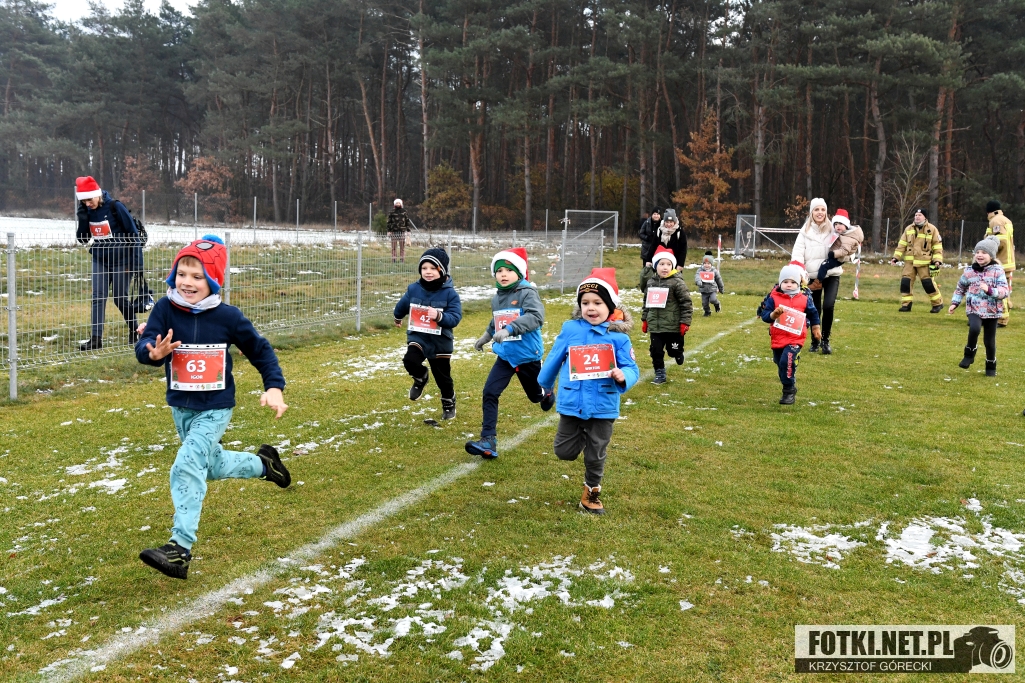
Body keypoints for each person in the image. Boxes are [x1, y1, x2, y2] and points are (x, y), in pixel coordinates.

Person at [134, 236, 289, 580]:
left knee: (187, 463)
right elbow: (146, 342)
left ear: (213, 280)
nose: (186, 282)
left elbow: (260, 351)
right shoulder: (165, 308)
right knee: (210, 466)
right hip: (181, 408)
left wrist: (274, 387)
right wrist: (152, 352)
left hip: (216, 408)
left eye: (197, 276)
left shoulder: (228, 317)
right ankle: (264, 465)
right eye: (181, 274)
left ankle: (180, 548)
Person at [538, 268, 639, 515]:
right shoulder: (570, 329)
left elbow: (631, 367)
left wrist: (623, 375)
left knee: (595, 455)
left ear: (610, 306)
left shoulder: (619, 337)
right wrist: (545, 383)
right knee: (564, 451)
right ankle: (581, 436)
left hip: (603, 405)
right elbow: (555, 357)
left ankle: (591, 493)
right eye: (585, 303)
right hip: (572, 402)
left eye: (597, 303)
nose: (591, 308)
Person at [466, 247, 555, 459]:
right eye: (499, 271)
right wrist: (486, 336)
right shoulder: (497, 297)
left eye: (508, 270)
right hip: (505, 356)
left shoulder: (528, 293)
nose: (503, 274)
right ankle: (488, 440)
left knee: (535, 397)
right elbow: (496, 321)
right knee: (490, 392)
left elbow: (536, 317)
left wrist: (510, 329)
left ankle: (547, 393)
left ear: (519, 272)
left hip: (527, 356)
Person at [74, 175, 143, 351]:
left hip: (122, 260)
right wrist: (83, 218)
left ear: (98, 194)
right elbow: (83, 239)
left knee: (120, 298)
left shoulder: (115, 207)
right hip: (100, 260)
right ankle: (96, 339)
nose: (88, 203)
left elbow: (133, 234)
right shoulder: (86, 210)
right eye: (84, 201)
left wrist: (137, 264)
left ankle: (135, 330)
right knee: (98, 297)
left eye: (90, 199)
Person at [393, 248, 462, 420]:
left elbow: (455, 317)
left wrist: (439, 316)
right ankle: (420, 377)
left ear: (442, 270)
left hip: (440, 342)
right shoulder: (414, 289)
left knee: (442, 378)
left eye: (433, 268)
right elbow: (403, 304)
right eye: (424, 268)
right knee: (410, 360)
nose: (428, 272)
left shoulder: (450, 294)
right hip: (419, 337)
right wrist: (397, 316)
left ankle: (448, 401)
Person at [758, 263, 821, 405]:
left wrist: (816, 328)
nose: (789, 284)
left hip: (795, 338)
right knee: (780, 363)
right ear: (780, 283)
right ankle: (788, 379)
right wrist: (773, 315)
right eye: (785, 281)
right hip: (778, 338)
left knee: (787, 361)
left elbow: (813, 313)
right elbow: (765, 316)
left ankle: (789, 391)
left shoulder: (804, 298)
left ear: (798, 283)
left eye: (792, 282)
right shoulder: (774, 298)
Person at [948, 238, 1008, 377]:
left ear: (991, 255)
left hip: (992, 311)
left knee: (989, 342)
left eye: (984, 253)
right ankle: (969, 354)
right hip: (974, 308)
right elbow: (960, 288)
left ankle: (991, 365)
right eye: (978, 252)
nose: (980, 255)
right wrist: (955, 303)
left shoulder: (998, 271)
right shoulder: (969, 271)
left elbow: (1004, 291)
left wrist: (990, 290)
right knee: (974, 328)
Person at [789, 198, 836, 353]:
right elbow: (797, 253)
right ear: (811, 212)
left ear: (826, 212)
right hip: (812, 276)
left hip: (831, 274)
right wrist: (799, 271)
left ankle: (826, 341)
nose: (820, 213)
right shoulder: (804, 232)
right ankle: (815, 340)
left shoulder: (833, 229)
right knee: (814, 309)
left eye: (823, 210)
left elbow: (847, 244)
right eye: (816, 209)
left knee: (828, 306)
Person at [641, 246, 692, 384]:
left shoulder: (677, 283)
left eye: (668, 264)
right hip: (656, 326)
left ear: (672, 266)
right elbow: (646, 302)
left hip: (673, 326)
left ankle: (678, 352)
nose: (665, 267)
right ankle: (660, 373)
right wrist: (645, 319)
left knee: (672, 350)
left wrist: (685, 322)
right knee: (655, 350)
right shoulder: (650, 282)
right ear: (655, 266)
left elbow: (686, 303)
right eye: (661, 264)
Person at [891, 208, 944, 313]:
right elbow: (902, 245)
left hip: (925, 262)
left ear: (925, 217)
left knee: (928, 284)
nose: (917, 217)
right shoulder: (908, 229)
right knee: (906, 283)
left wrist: (937, 260)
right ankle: (906, 305)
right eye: (916, 215)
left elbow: (937, 246)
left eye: (919, 215)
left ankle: (937, 304)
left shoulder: (932, 229)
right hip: (909, 263)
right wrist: (895, 257)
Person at [985, 200, 1015, 327]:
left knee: (1000, 291)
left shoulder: (995, 221)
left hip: (1000, 262)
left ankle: (1002, 319)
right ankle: (1007, 307)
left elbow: (999, 242)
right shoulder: (1006, 220)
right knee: (1005, 289)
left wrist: (987, 251)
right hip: (1007, 261)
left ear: (989, 211)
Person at [694, 251, 725, 317]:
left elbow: (719, 279)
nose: (706, 265)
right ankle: (707, 312)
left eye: (708, 263)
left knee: (712, 300)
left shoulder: (714, 271)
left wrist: (721, 288)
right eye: (705, 263)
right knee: (704, 303)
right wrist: (698, 282)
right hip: (703, 289)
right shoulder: (700, 270)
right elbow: (697, 276)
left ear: (711, 264)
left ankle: (717, 304)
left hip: (712, 289)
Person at [387, 198, 411, 263]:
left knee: (402, 247)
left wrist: (408, 230)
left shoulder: (404, 211)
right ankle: (394, 259)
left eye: (399, 203)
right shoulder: (392, 212)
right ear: (394, 204)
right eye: (396, 203)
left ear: (401, 204)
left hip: (402, 231)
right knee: (393, 247)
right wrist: (389, 230)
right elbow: (389, 222)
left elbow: (407, 221)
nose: (398, 204)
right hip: (393, 231)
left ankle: (402, 260)